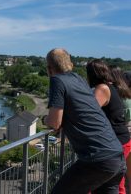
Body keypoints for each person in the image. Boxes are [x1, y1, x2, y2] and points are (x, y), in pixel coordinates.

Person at [43, 48, 126, 194]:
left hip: (98, 159)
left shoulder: (57, 80)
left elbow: (54, 123)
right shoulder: (79, 79)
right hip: (116, 155)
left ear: (49, 69)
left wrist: (45, 120)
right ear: (71, 65)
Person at [86, 60, 131, 194]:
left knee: (96, 181)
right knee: (117, 181)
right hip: (121, 140)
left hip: (116, 142)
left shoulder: (102, 88)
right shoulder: (114, 88)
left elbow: (87, 112)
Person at [109, 66, 131, 193]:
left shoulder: (116, 95)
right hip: (127, 137)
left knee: (119, 174)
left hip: (122, 138)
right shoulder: (127, 95)